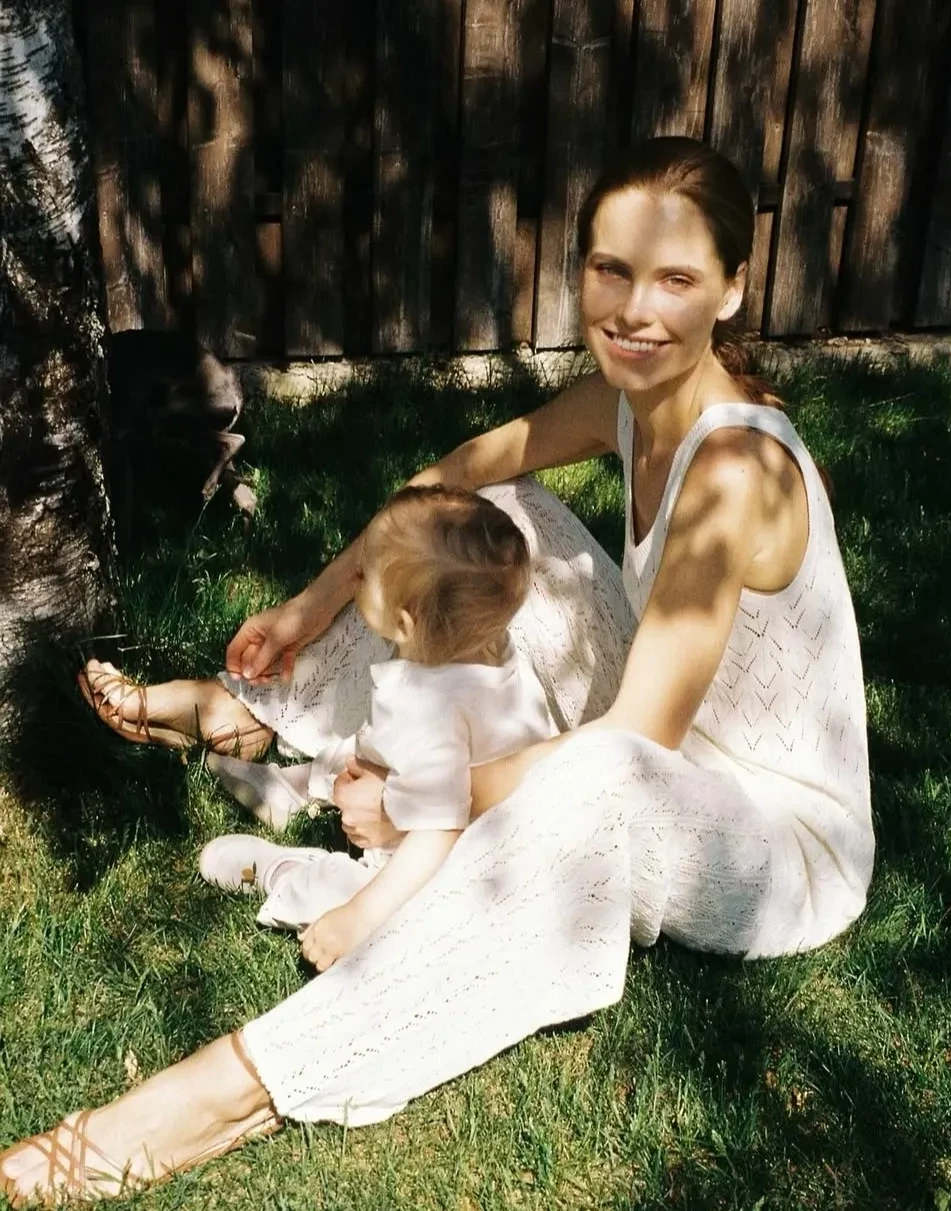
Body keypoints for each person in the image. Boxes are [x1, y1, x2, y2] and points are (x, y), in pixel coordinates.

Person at [0, 135, 874, 1205]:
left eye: (677, 281)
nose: (636, 310)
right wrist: (312, 604)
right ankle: (255, 711)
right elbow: (447, 476)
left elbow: (636, 743)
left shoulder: (734, 468)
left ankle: (237, 1086)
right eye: (613, 271)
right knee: (486, 523)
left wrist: (427, 795)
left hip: (777, 844)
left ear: (733, 290)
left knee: (597, 775)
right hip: (670, 740)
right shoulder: (631, 401)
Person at [199, 483, 556, 972]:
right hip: (480, 818)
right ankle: (294, 788)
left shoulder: (431, 709)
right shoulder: (486, 652)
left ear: (405, 623)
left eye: (364, 576)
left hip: (447, 866)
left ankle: (280, 870)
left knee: (344, 896)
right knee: (361, 749)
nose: (355, 578)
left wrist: (359, 917)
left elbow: (436, 835)